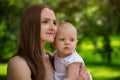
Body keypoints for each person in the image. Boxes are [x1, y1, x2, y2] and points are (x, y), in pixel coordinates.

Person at [7, 4, 91, 80]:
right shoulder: (19, 63)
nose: (53, 28)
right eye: (45, 22)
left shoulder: (53, 58)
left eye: (54, 23)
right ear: (31, 26)